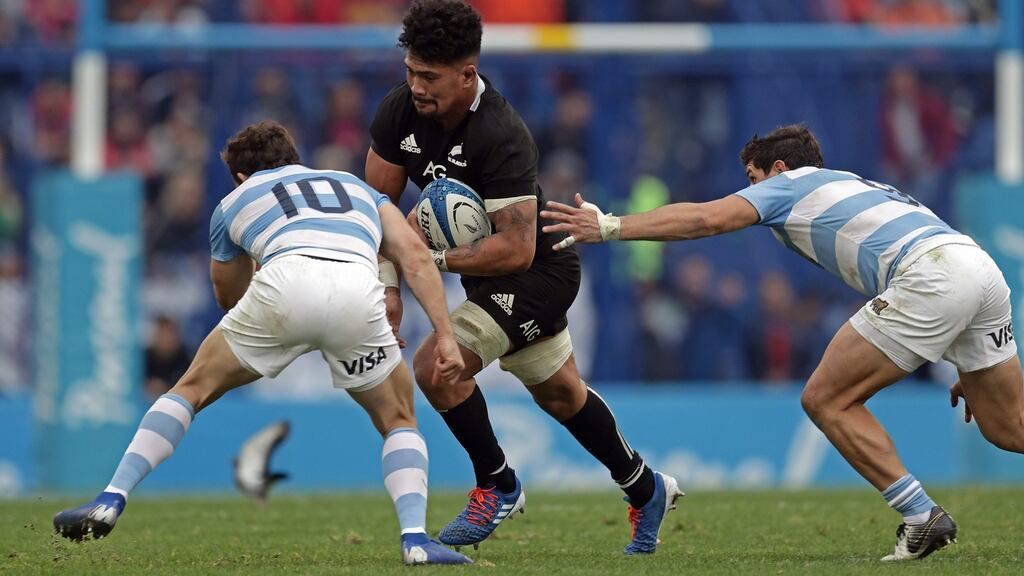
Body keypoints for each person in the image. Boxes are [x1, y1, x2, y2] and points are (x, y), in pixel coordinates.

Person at [541, 124, 1024, 561]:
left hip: (932, 277)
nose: (751, 192)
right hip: (976, 266)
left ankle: (921, 517)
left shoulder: (788, 185)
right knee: (1008, 428)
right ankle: (922, 515)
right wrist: (963, 352)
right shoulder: (851, 182)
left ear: (777, 169)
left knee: (826, 399)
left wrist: (609, 226)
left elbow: (707, 220)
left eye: (752, 178)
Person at [52, 121, 472, 566]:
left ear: (239, 175)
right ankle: (415, 540)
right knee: (398, 419)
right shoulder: (355, 187)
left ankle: (111, 497)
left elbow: (227, 296)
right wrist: (444, 335)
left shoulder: (233, 201)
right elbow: (415, 255)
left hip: (282, 283)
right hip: (357, 289)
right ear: (294, 159)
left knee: (189, 389)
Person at [365, 0, 682, 555]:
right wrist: (390, 285)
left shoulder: (503, 133)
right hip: (482, 278)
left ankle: (498, 484)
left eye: (430, 77)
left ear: (469, 74)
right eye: (411, 71)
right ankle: (645, 486)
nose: (416, 86)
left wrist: (428, 261)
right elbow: (379, 208)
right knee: (561, 396)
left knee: (437, 368)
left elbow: (514, 249)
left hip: (540, 272)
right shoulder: (398, 113)